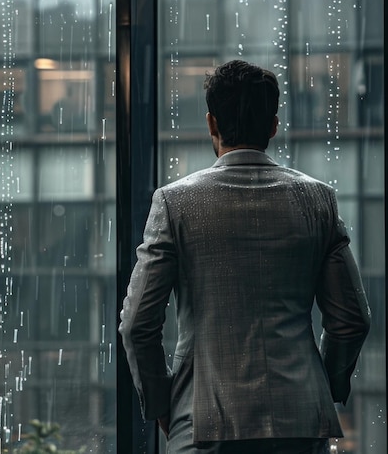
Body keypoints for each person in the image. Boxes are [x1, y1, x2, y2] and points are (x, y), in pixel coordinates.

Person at [119, 60, 371, 454]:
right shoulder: (318, 199)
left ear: (211, 124)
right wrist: (325, 383)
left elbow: (137, 325)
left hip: (203, 422)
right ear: (273, 126)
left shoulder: (175, 202)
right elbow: (351, 320)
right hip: (299, 425)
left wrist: (161, 404)